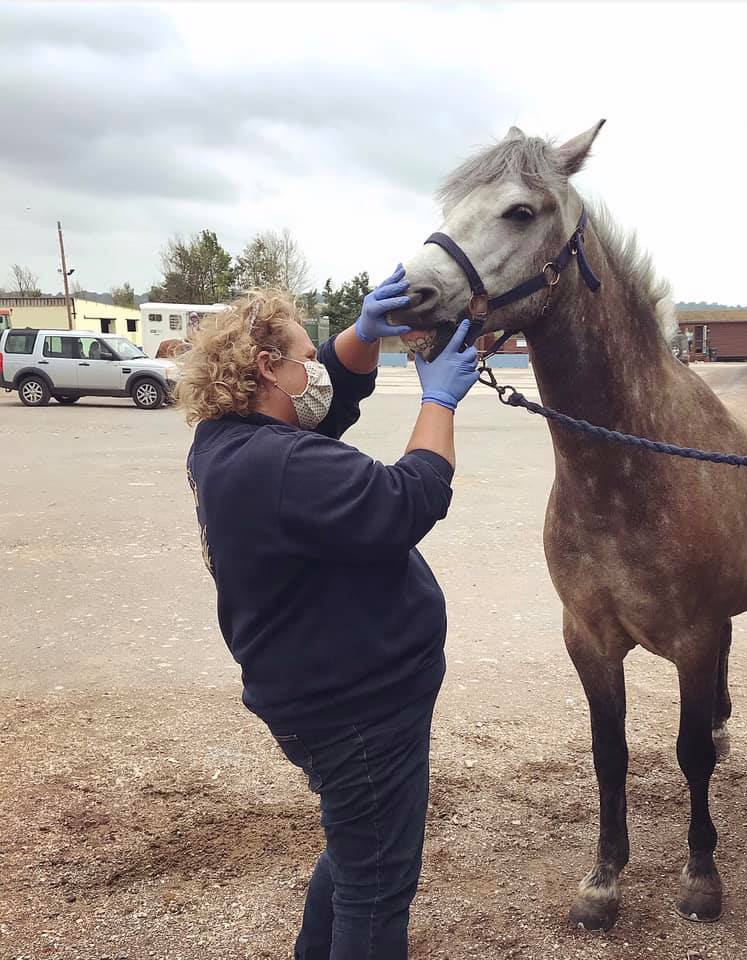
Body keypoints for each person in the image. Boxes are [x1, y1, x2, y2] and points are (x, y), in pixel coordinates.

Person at [175, 267, 479, 960]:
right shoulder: (282, 465)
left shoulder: (229, 442)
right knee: (377, 884)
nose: (318, 369)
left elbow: (328, 404)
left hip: (321, 699)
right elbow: (408, 500)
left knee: (355, 853)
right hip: (359, 715)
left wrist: (363, 334)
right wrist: (440, 402)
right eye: (306, 358)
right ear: (267, 368)